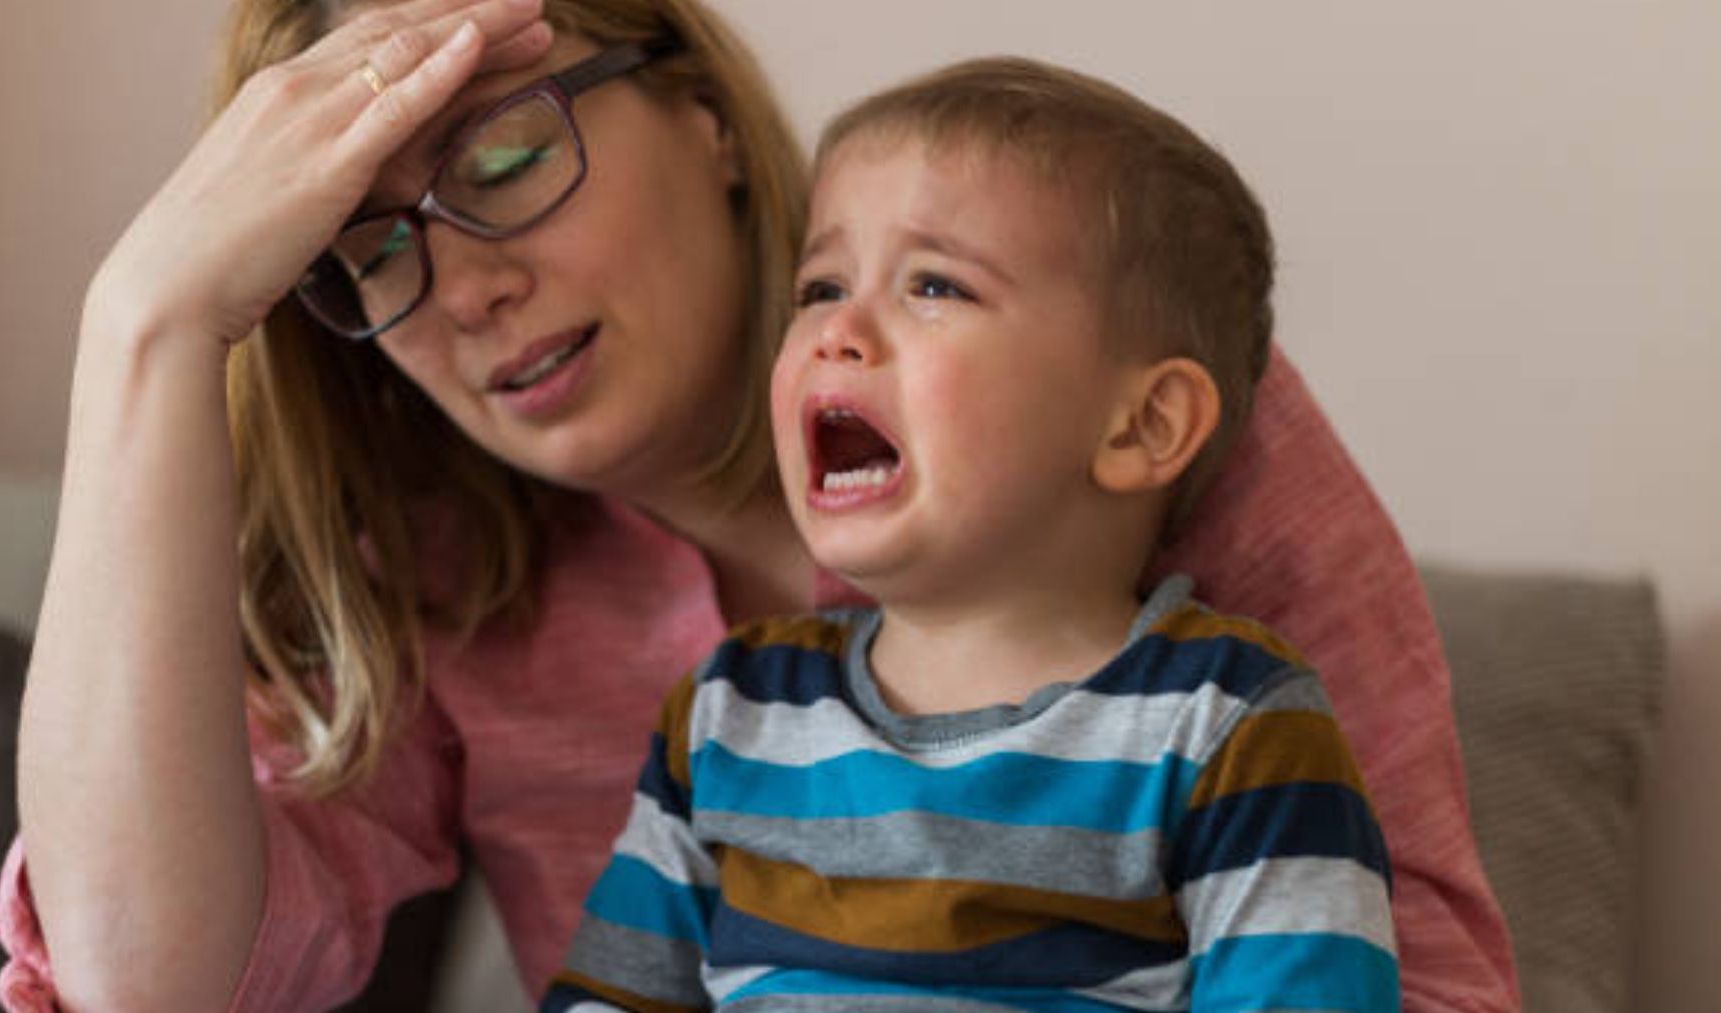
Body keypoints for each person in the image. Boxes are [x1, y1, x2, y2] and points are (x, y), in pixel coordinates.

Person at [0, 0, 1516, 1010]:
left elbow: (1419, 974)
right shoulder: (483, 596)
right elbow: (145, 980)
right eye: (368, 248)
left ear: (702, 115)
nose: (462, 286)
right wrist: (147, 323)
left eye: (511, 156)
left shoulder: (1126, 418)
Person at [539, 56, 1398, 1012]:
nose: (837, 331)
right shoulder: (729, 712)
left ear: (1140, 425)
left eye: (936, 286)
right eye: (819, 288)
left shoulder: (1229, 724)